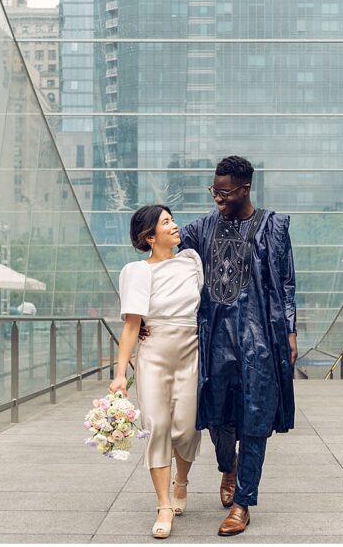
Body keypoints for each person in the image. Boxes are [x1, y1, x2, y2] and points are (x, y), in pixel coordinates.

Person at [177, 155, 297, 536]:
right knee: (218, 417)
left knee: (255, 419)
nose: (217, 198)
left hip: (258, 338)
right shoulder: (202, 228)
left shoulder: (273, 226)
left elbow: (287, 282)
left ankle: (243, 503)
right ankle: (227, 467)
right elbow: (165, 255)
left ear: (245, 188)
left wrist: (289, 332)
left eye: (224, 192)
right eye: (214, 191)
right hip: (213, 338)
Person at [110, 205, 204, 539]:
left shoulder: (193, 261)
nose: (175, 225)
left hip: (191, 350)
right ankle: (164, 504)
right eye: (166, 223)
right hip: (153, 355)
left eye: (172, 219)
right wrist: (121, 374)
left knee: (187, 428)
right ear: (149, 236)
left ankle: (182, 481)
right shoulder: (137, 271)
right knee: (157, 425)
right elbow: (132, 327)